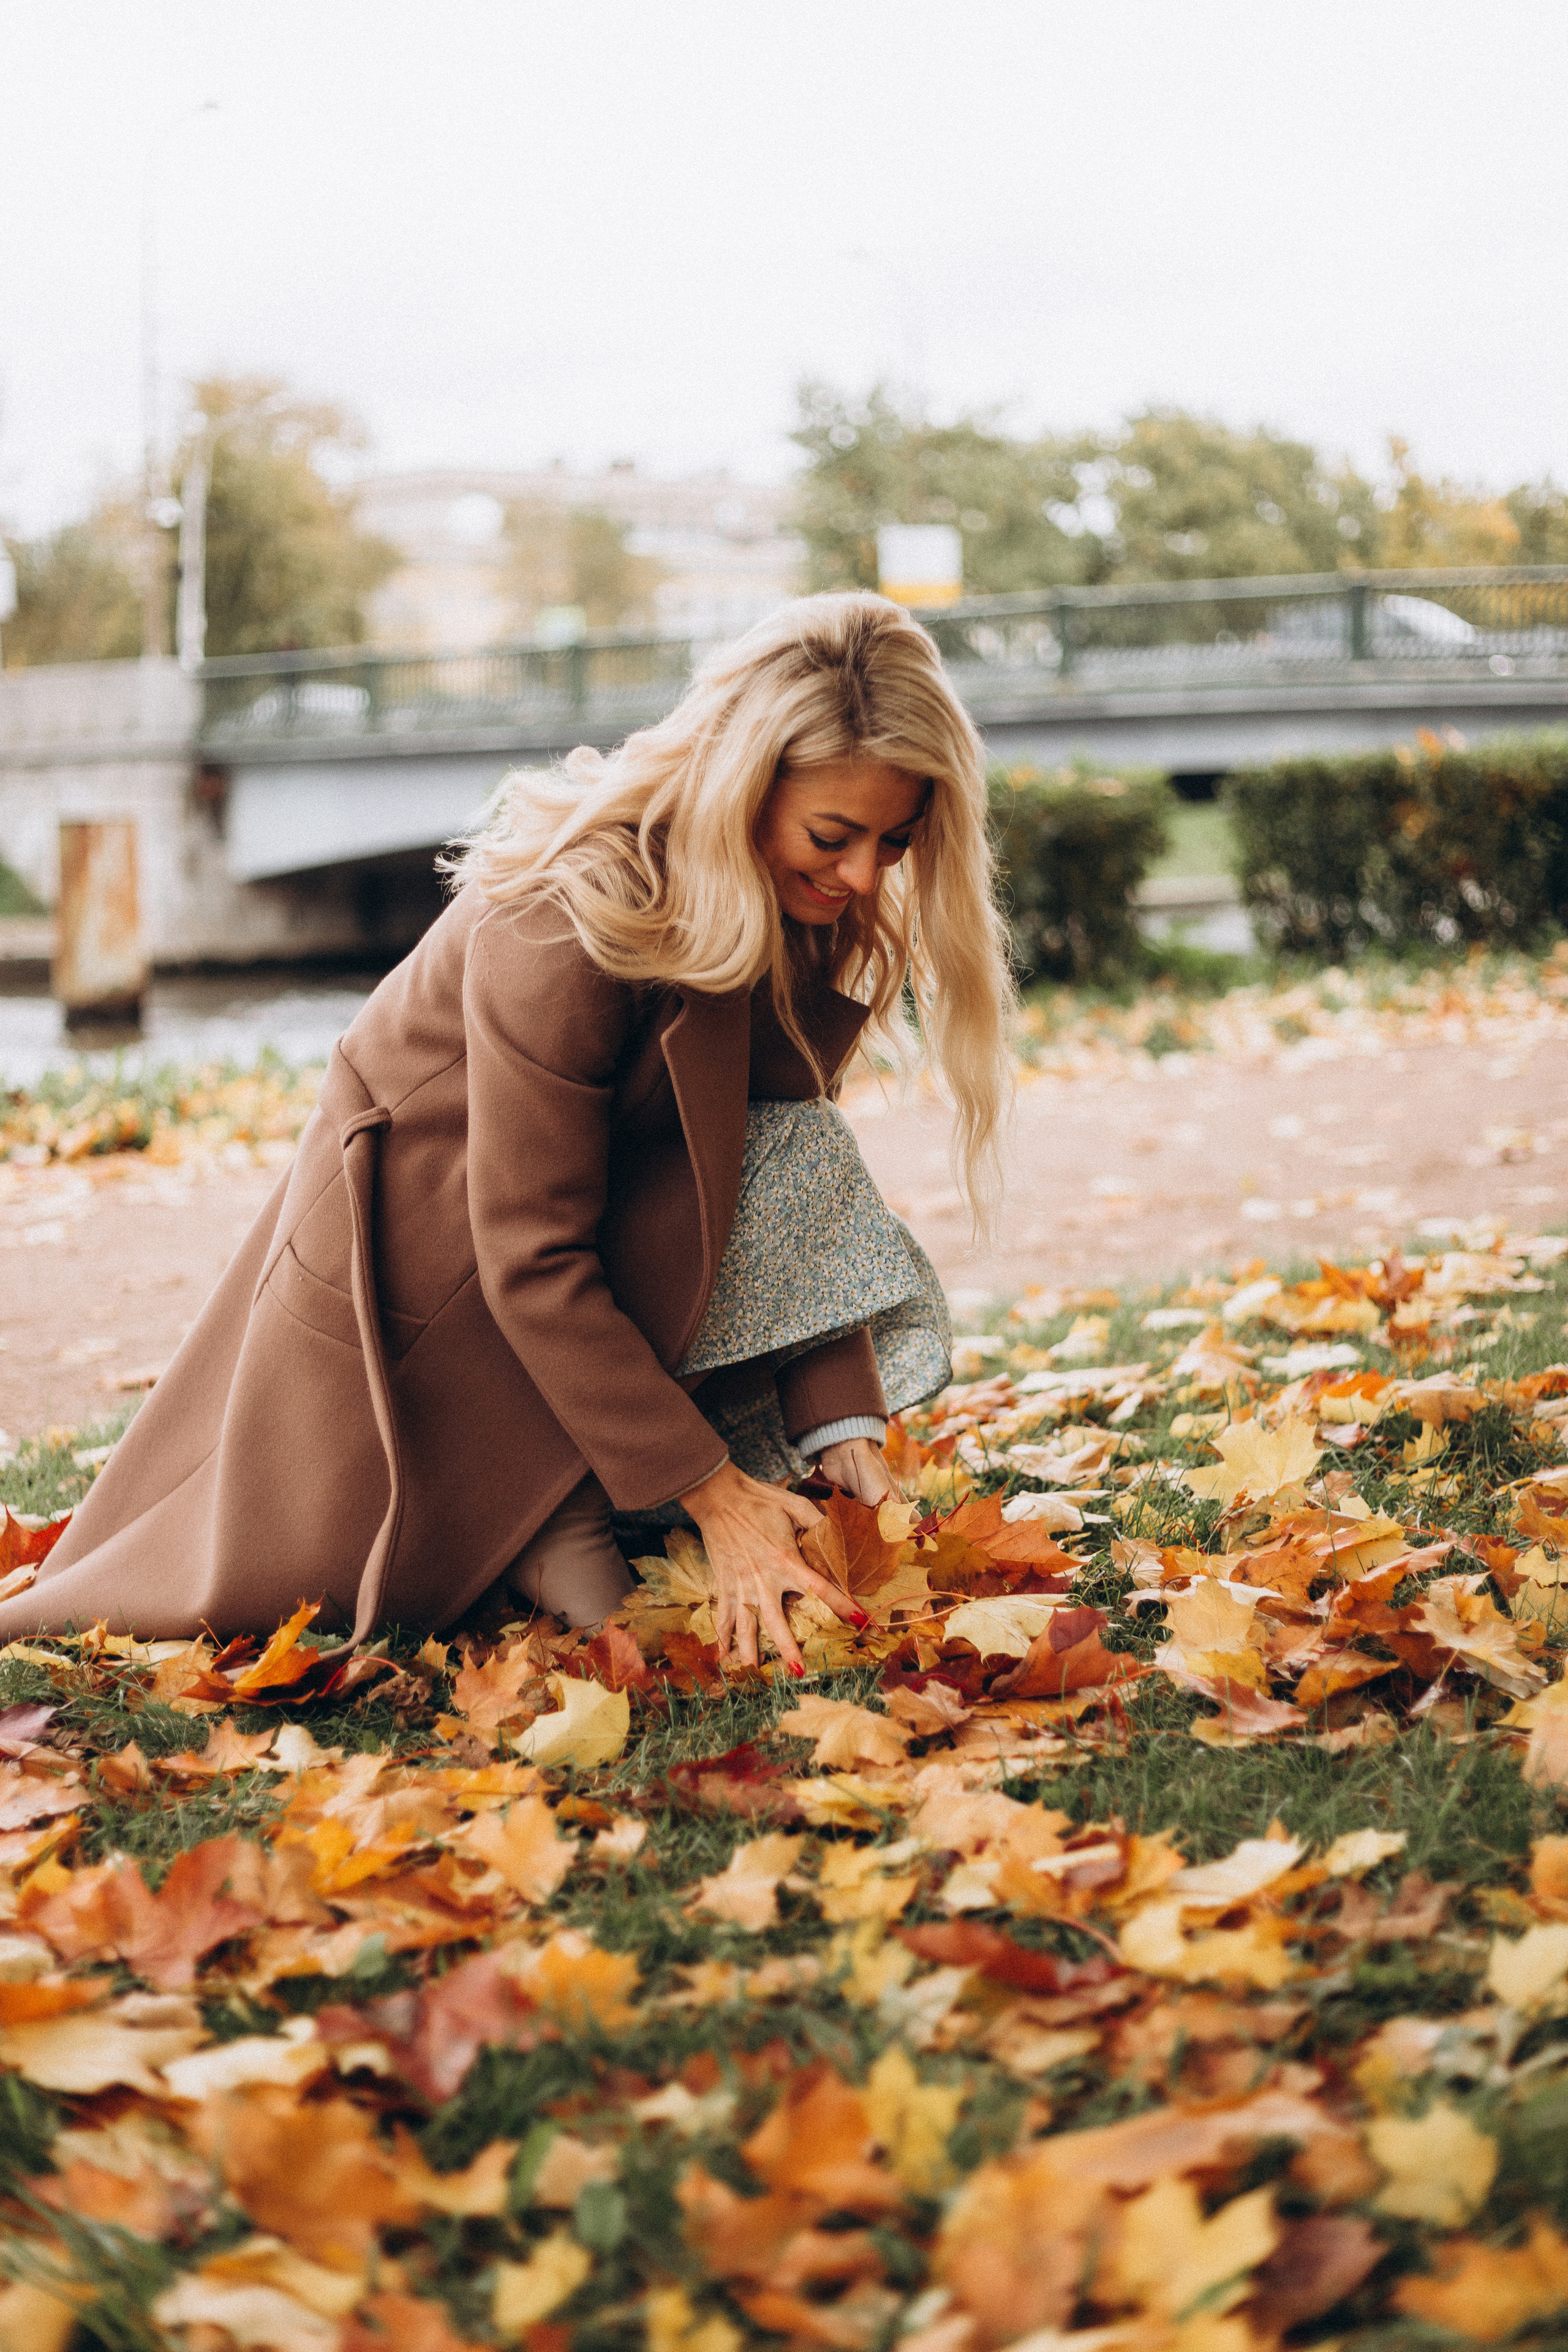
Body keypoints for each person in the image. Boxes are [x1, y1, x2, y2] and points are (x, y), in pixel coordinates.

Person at [1, 594, 1012, 1672]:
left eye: (892, 842)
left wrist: (843, 1440)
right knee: (513, 1592)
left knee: (804, 1149)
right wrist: (710, 1495)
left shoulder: (777, 895)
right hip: (421, 1294)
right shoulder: (565, 918)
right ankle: (548, 1500)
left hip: (570, 1256)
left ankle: (591, 1484)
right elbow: (528, 1255)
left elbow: (782, 1152)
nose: (862, 876)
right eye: (834, 835)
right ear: (741, 786)